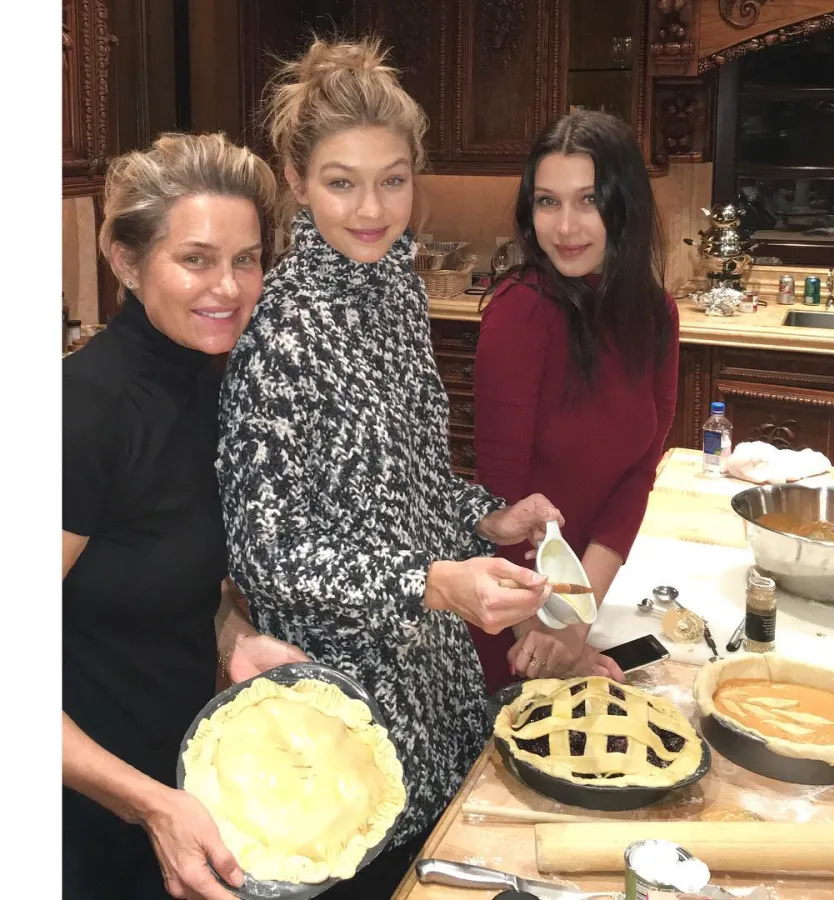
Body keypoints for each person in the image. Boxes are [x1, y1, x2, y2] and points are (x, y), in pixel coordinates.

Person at [216, 37, 561, 899]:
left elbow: (404, 481)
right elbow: (269, 556)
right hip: (344, 720)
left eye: (393, 179)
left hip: (439, 692)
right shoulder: (279, 331)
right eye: (341, 181)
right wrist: (431, 582)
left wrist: (487, 516)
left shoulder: (399, 290)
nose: (372, 208)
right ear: (295, 181)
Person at [62, 132, 310, 900]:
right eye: (196, 258)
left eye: (246, 259)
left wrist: (235, 639)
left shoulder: (211, 382)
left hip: (176, 790)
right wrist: (147, 804)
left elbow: (155, 571)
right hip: (83, 818)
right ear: (128, 261)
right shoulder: (85, 412)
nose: (229, 287)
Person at [472, 110, 679, 694]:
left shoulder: (656, 317)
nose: (565, 227)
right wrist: (543, 637)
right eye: (547, 202)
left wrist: (577, 618)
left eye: (588, 200)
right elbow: (501, 499)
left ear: (624, 206)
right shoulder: (520, 312)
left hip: (580, 603)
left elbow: (639, 471)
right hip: (509, 617)